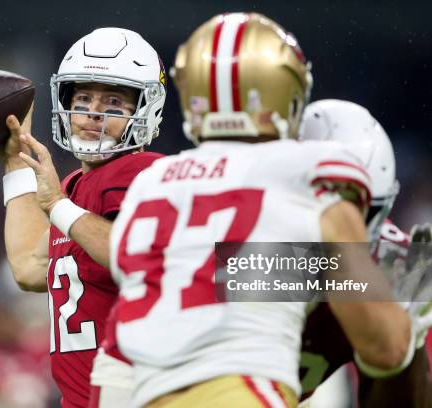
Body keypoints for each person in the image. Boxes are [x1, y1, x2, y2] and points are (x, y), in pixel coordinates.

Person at [106, 13, 415, 408]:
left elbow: (218, 268)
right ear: (285, 89)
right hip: (245, 392)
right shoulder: (313, 169)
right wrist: (406, 320)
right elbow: (383, 348)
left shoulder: (152, 180)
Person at [0, 27, 166, 408]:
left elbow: (135, 255)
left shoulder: (141, 170)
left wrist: (57, 204)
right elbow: (29, 266)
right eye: (84, 97)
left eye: (113, 101)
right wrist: (15, 162)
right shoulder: (76, 185)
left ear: (145, 110)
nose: (92, 112)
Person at [298, 99, 432, 407]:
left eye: (354, 208)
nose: (334, 223)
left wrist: (406, 342)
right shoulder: (244, 251)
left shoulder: (386, 264)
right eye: (317, 203)